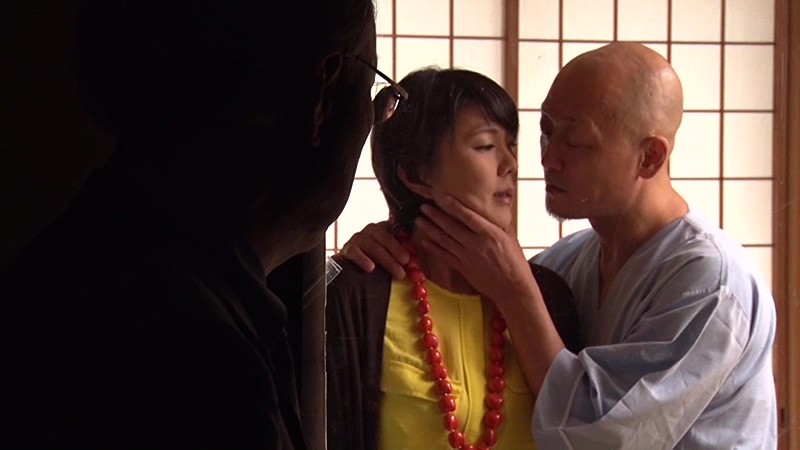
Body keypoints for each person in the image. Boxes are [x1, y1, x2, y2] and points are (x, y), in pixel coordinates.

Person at [338, 42, 778, 449]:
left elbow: (604, 437)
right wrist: (379, 242)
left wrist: (516, 292)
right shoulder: (565, 265)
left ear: (649, 157)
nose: (545, 159)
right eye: (546, 132)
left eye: (576, 141)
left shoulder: (711, 282)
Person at [3, 1, 376, 448]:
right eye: (376, 92)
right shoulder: (196, 363)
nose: (375, 119)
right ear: (322, 95)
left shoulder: (89, 256)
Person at [325, 67, 583, 450]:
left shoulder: (550, 293)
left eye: (511, 145)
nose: (511, 164)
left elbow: (586, 429)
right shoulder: (357, 291)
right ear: (416, 174)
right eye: (485, 146)